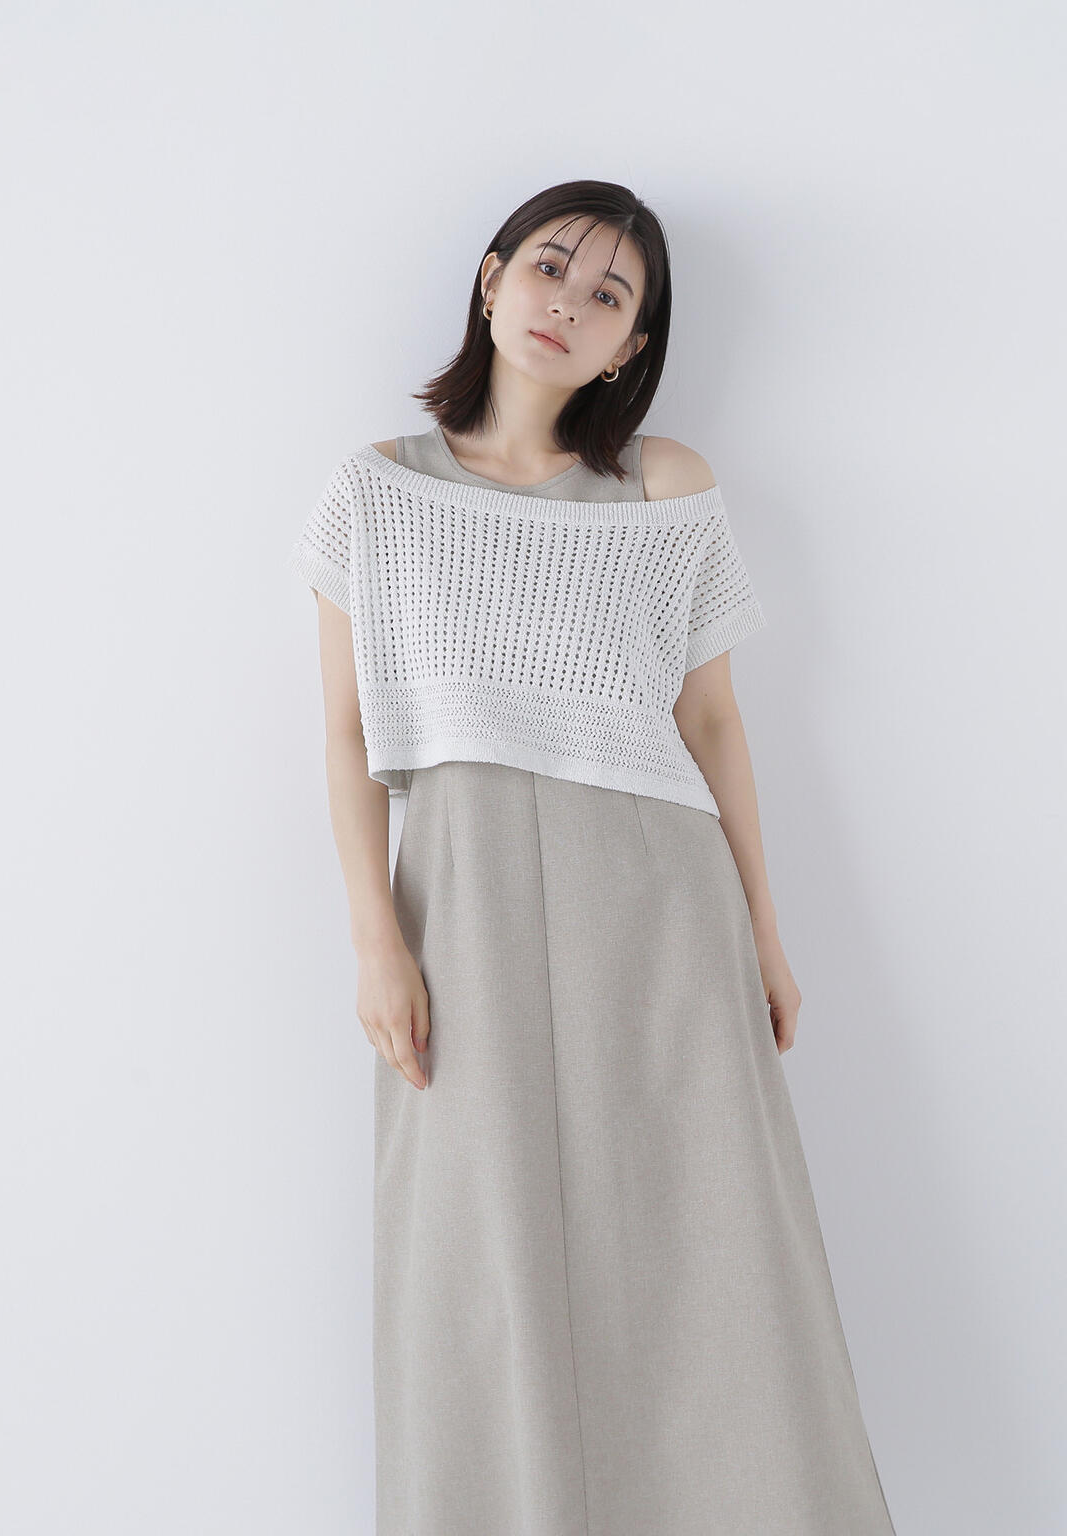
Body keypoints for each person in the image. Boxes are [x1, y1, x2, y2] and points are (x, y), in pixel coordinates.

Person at [289, 179, 896, 1535]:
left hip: (658, 897)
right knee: (477, 1256)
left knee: (707, 1245)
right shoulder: (378, 489)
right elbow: (344, 733)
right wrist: (376, 942)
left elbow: (712, 720)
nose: (568, 302)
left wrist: (766, 935)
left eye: (609, 295)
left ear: (633, 346)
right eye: (551, 267)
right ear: (492, 276)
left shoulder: (665, 483)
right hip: (461, 899)